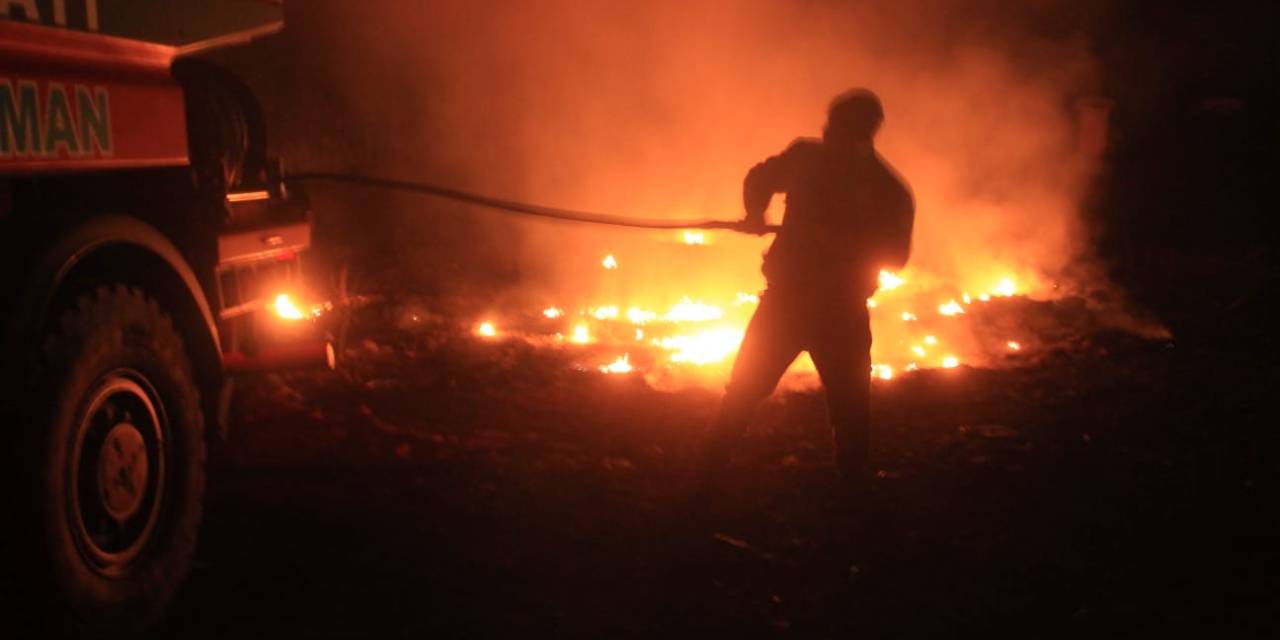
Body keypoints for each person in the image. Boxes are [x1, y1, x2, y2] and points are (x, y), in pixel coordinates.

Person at [700, 88, 914, 492]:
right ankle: (706, 478)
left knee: (849, 405)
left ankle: (854, 487)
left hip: (839, 309)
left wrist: (841, 243)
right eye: (830, 126)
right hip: (788, 301)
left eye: (841, 128)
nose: (830, 134)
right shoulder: (807, 159)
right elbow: (760, 177)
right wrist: (755, 213)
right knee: (745, 390)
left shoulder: (887, 191)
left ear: (865, 132)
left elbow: (896, 257)